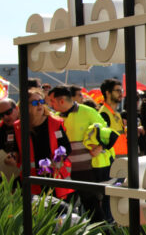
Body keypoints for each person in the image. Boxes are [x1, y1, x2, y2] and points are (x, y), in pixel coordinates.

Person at [49, 85, 118, 221]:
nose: (50, 104)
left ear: (61, 101)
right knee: (65, 208)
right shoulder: (55, 118)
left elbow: (107, 133)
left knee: (92, 207)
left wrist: (101, 147)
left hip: (88, 170)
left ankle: (102, 232)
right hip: (66, 172)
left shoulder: (88, 112)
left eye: (52, 101)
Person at [7, 88, 73, 199]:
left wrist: (56, 161)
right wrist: (12, 157)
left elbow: (66, 147)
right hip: (31, 180)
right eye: (34, 102)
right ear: (25, 106)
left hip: (54, 178)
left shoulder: (55, 123)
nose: (39, 105)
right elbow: (16, 150)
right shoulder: (18, 127)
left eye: (41, 101)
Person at [99, 78, 126, 156]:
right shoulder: (103, 114)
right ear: (108, 93)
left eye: (121, 91)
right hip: (112, 158)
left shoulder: (117, 114)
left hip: (122, 156)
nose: (121, 94)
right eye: (117, 91)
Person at [0, 99, 20, 183]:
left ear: (16, 109)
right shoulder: (1, 129)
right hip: (6, 178)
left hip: (25, 176)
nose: (5, 117)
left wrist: (16, 155)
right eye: (1, 115)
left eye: (8, 112)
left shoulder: (28, 125)